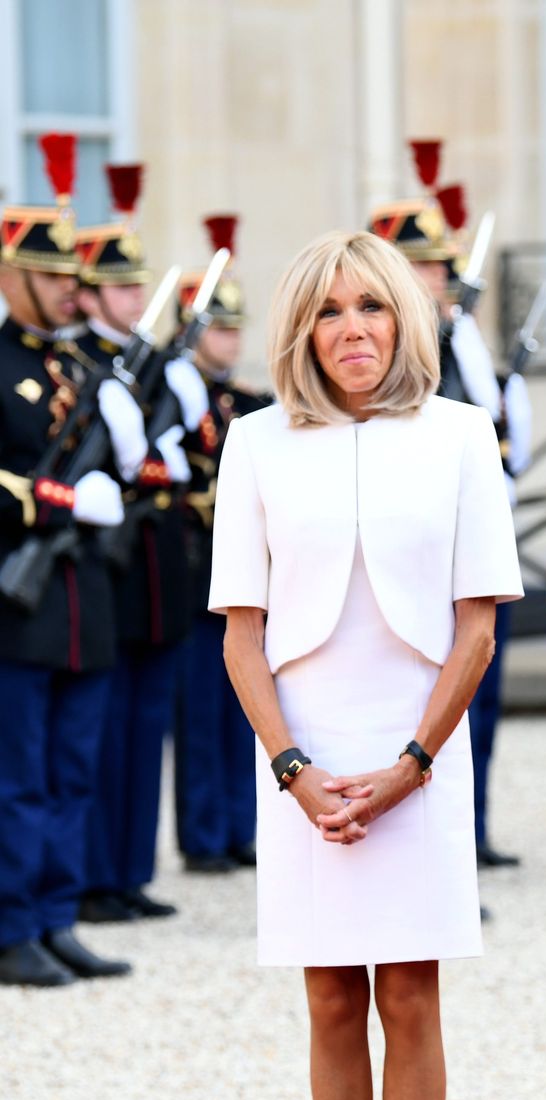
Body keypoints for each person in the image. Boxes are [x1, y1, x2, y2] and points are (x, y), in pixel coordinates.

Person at [208, 230, 521, 1100]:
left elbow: (480, 627)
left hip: (417, 749)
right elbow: (242, 638)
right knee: (332, 1001)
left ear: (406, 321)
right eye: (331, 312)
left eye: (373, 309)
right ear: (302, 329)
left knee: (411, 1000)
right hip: (303, 757)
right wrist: (293, 772)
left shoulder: (458, 438)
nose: (353, 329)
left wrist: (412, 765)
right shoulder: (253, 444)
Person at [0, 135, 132, 984]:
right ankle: (14, 926)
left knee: (73, 767)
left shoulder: (87, 366)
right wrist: (48, 498)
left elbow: (125, 466)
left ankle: (58, 914)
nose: (67, 289)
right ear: (12, 275)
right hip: (18, 594)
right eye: (50, 276)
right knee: (19, 776)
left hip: (84, 598)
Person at [371, 193, 526, 869]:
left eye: (440, 267)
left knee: (481, 701)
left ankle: (473, 830)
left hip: (479, 537)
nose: (441, 279)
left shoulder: (457, 336)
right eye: (426, 267)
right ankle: (434, 843)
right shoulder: (402, 347)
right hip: (426, 549)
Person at [75, 163, 208, 924]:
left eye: (137, 288)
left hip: (155, 563)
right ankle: (94, 876)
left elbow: (178, 459)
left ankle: (127, 870)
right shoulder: (89, 366)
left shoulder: (152, 364)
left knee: (141, 727)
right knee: (102, 731)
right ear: (89, 293)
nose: (134, 299)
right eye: (120, 289)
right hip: (105, 564)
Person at [174, 215, 271, 875]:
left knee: (245, 706)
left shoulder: (249, 401)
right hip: (189, 570)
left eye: (237, 328)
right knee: (200, 711)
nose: (230, 339)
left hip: (246, 572)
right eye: (219, 327)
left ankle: (239, 825)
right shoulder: (174, 395)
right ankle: (203, 833)